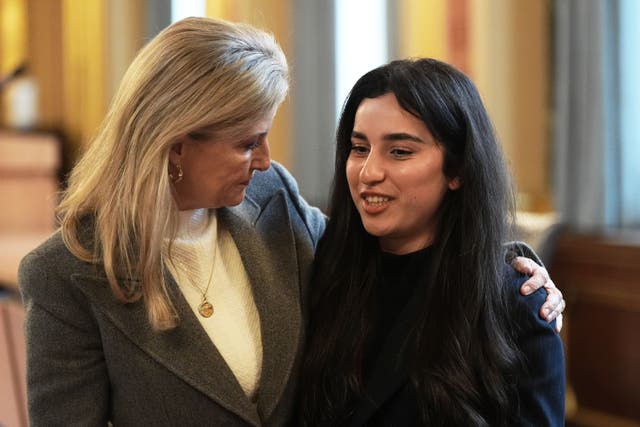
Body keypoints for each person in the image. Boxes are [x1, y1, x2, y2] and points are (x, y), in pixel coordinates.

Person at [18, 18, 562, 427]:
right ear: (176, 142)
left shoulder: (270, 199)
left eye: (399, 150)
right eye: (247, 142)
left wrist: (511, 265)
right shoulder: (66, 274)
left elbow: (407, 246)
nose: (264, 159)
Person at [298, 58, 565, 426]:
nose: (368, 172)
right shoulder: (322, 271)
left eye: (400, 152)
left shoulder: (514, 299)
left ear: (456, 170)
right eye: (359, 148)